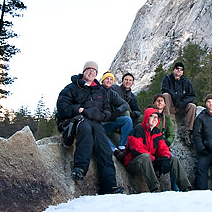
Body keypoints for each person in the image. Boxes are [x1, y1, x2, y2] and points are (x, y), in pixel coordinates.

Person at [56, 61, 124, 194]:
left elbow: (107, 109)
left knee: (104, 146)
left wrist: (103, 116)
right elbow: (62, 107)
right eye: (89, 70)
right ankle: (80, 168)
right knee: (86, 129)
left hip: (96, 122)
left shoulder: (100, 90)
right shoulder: (72, 87)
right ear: (83, 71)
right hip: (78, 120)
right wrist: (80, 110)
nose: (91, 72)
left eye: (94, 71)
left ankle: (109, 185)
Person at [122, 108, 190, 192]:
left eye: (156, 117)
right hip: (134, 164)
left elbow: (163, 148)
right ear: (147, 117)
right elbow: (137, 150)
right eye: (152, 116)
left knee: (173, 159)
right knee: (145, 156)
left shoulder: (156, 131)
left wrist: (165, 157)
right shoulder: (138, 130)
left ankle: (185, 187)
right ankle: (155, 188)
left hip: (151, 162)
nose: (155, 119)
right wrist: (155, 159)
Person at [161, 61, 198, 145]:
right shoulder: (167, 79)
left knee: (192, 106)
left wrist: (183, 102)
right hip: (171, 106)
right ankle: (166, 122)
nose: (179, 71)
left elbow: (191, 95)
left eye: (181, 69)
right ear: (174, 69)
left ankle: (187, 132)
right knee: (165, 95)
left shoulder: (186, 82)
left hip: (182, 107)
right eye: (177, 68)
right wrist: (175, 96)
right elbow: (164, 89)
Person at [99, 71, 133, 151]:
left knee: (127, 120)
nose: (109, 81)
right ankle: (113, 150)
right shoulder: (97, 91)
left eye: (111, 79)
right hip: (98, 122)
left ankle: (123, 145)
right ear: (102, 80)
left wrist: (117, 111)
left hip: (108, 121)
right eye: (107, 79)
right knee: (97, 130)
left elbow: (125, 105)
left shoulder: (112, 93)